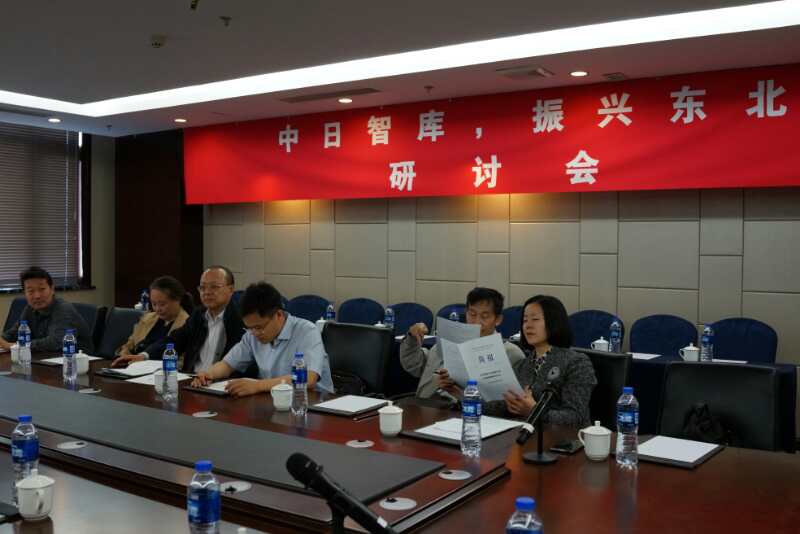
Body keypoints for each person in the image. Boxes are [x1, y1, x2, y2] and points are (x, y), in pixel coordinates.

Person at [448, 294, 597, 427]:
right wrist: (463, 398)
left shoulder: (577, 362)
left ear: (554, 322)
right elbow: (504, 406)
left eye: (535, 319)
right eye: (525, 320)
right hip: (524, 436)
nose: (528, 325)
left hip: (563, 441)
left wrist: (533, 410)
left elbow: (576, 416)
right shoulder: (524, 364)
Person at [192, 281, 334, 398]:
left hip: (313, 403)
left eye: (259, 327)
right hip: (273, 399)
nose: (254, 333)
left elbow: (308, 378)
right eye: (250, 328)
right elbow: (228, 364)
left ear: (278, 315)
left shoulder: (306, 331)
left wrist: (258, 385)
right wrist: (209, 374)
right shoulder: (251, 334)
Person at [112, 265, 244, 373]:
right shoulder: (199, 315)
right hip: (192, 381)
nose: (207, 292)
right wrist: (144, 355)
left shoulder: (241, 319)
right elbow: (174, 340)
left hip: (222, 384)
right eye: (202, 287)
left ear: (231, 289)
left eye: (214, 287)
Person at [400, 287, 525, 400]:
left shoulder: (510, 353)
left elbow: (511, 400)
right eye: (472, 314)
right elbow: (414, 365)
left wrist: (461, 391)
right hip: (427, 405)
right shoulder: (449, 340)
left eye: (484, 316)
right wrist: (412, 339)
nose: (477, 321)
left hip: (470, 411)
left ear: (498, 319)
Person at [1, 266, 93, 352]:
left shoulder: (63, 309)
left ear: (52, 289)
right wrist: (2, 341)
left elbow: (55, 342)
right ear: (24, 293)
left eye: (42, 289)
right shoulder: (29, 309)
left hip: (77, 359)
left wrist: (16, 346)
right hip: (45, 358)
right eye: (31, 291)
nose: (37, 296)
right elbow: (13, 334)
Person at [110, 276, 191, 366]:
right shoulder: (148, 318)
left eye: (162, 304)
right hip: (131, 366)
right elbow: (130, 344)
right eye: (154, 304)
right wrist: (124, 354)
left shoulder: (187, 324)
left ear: (177, 300)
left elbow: (181, 361)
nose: (157, 309)